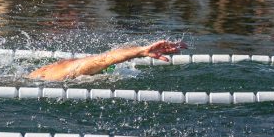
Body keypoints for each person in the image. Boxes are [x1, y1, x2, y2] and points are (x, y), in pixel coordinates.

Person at [27, 40, 187, 81]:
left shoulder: (52, 70)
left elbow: (107, 57)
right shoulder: (61, 73)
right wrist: (141, 51)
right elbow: (105, 59)